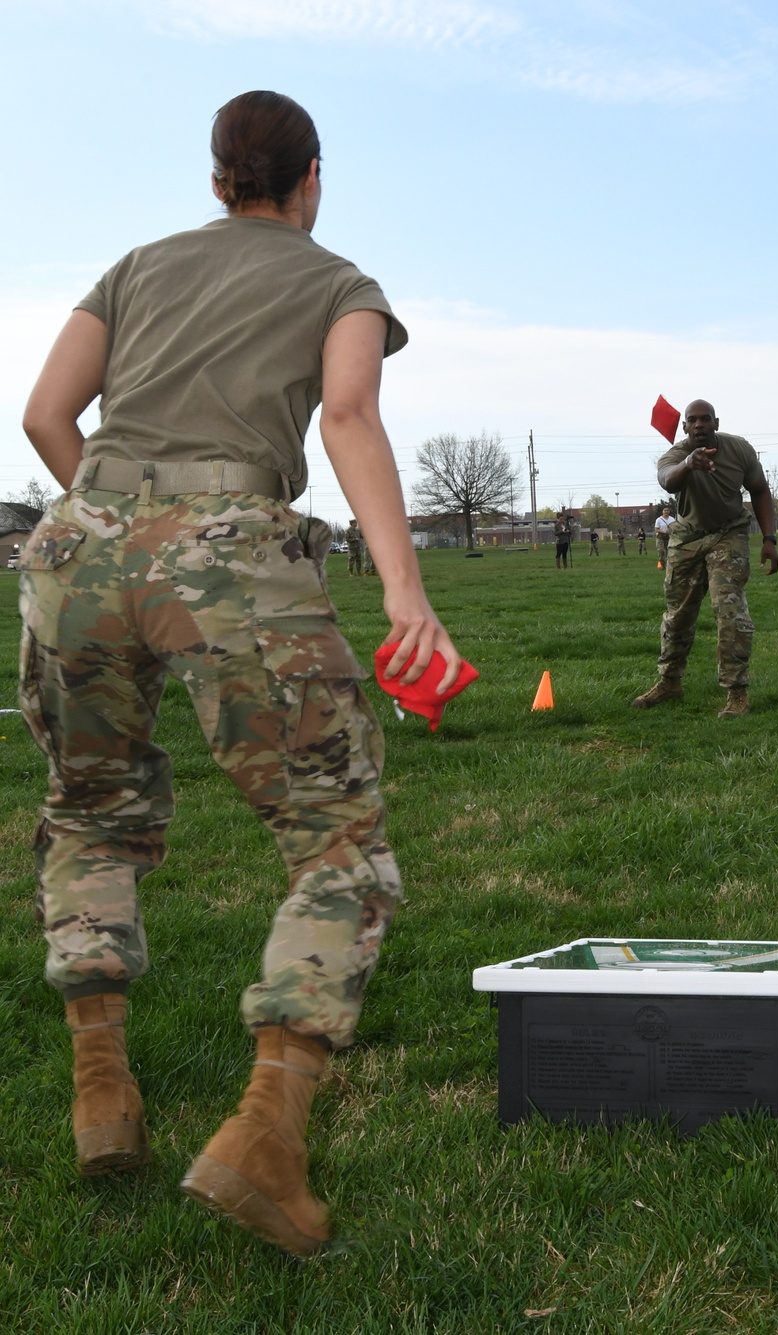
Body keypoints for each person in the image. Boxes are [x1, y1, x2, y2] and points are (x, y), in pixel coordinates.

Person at [18, 90, 460, 1257]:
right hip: (231, 549)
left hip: (75, 546)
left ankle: (103, 1093)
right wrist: (405, 592)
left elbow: (47, 414)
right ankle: (266, 1136)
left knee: (89, 814)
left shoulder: (134, 266)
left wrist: (115, 522)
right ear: (311, 177)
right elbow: (351, 417)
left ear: (219, 179)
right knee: (337, 846)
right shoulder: (339, 283)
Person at [632, 399, 778, 717]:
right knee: (678, 614)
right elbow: (668, 479)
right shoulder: (674, 455)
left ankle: (736, 693)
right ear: (685, 427)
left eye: (705, 419)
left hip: (729, 532)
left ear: (716, 423)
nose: (699, 424)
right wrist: (689, 463)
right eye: (692, 420)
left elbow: (760, 489)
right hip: (687, 535)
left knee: (729, 609)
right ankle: (669, 683)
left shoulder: (739, 450)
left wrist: (769, 539)